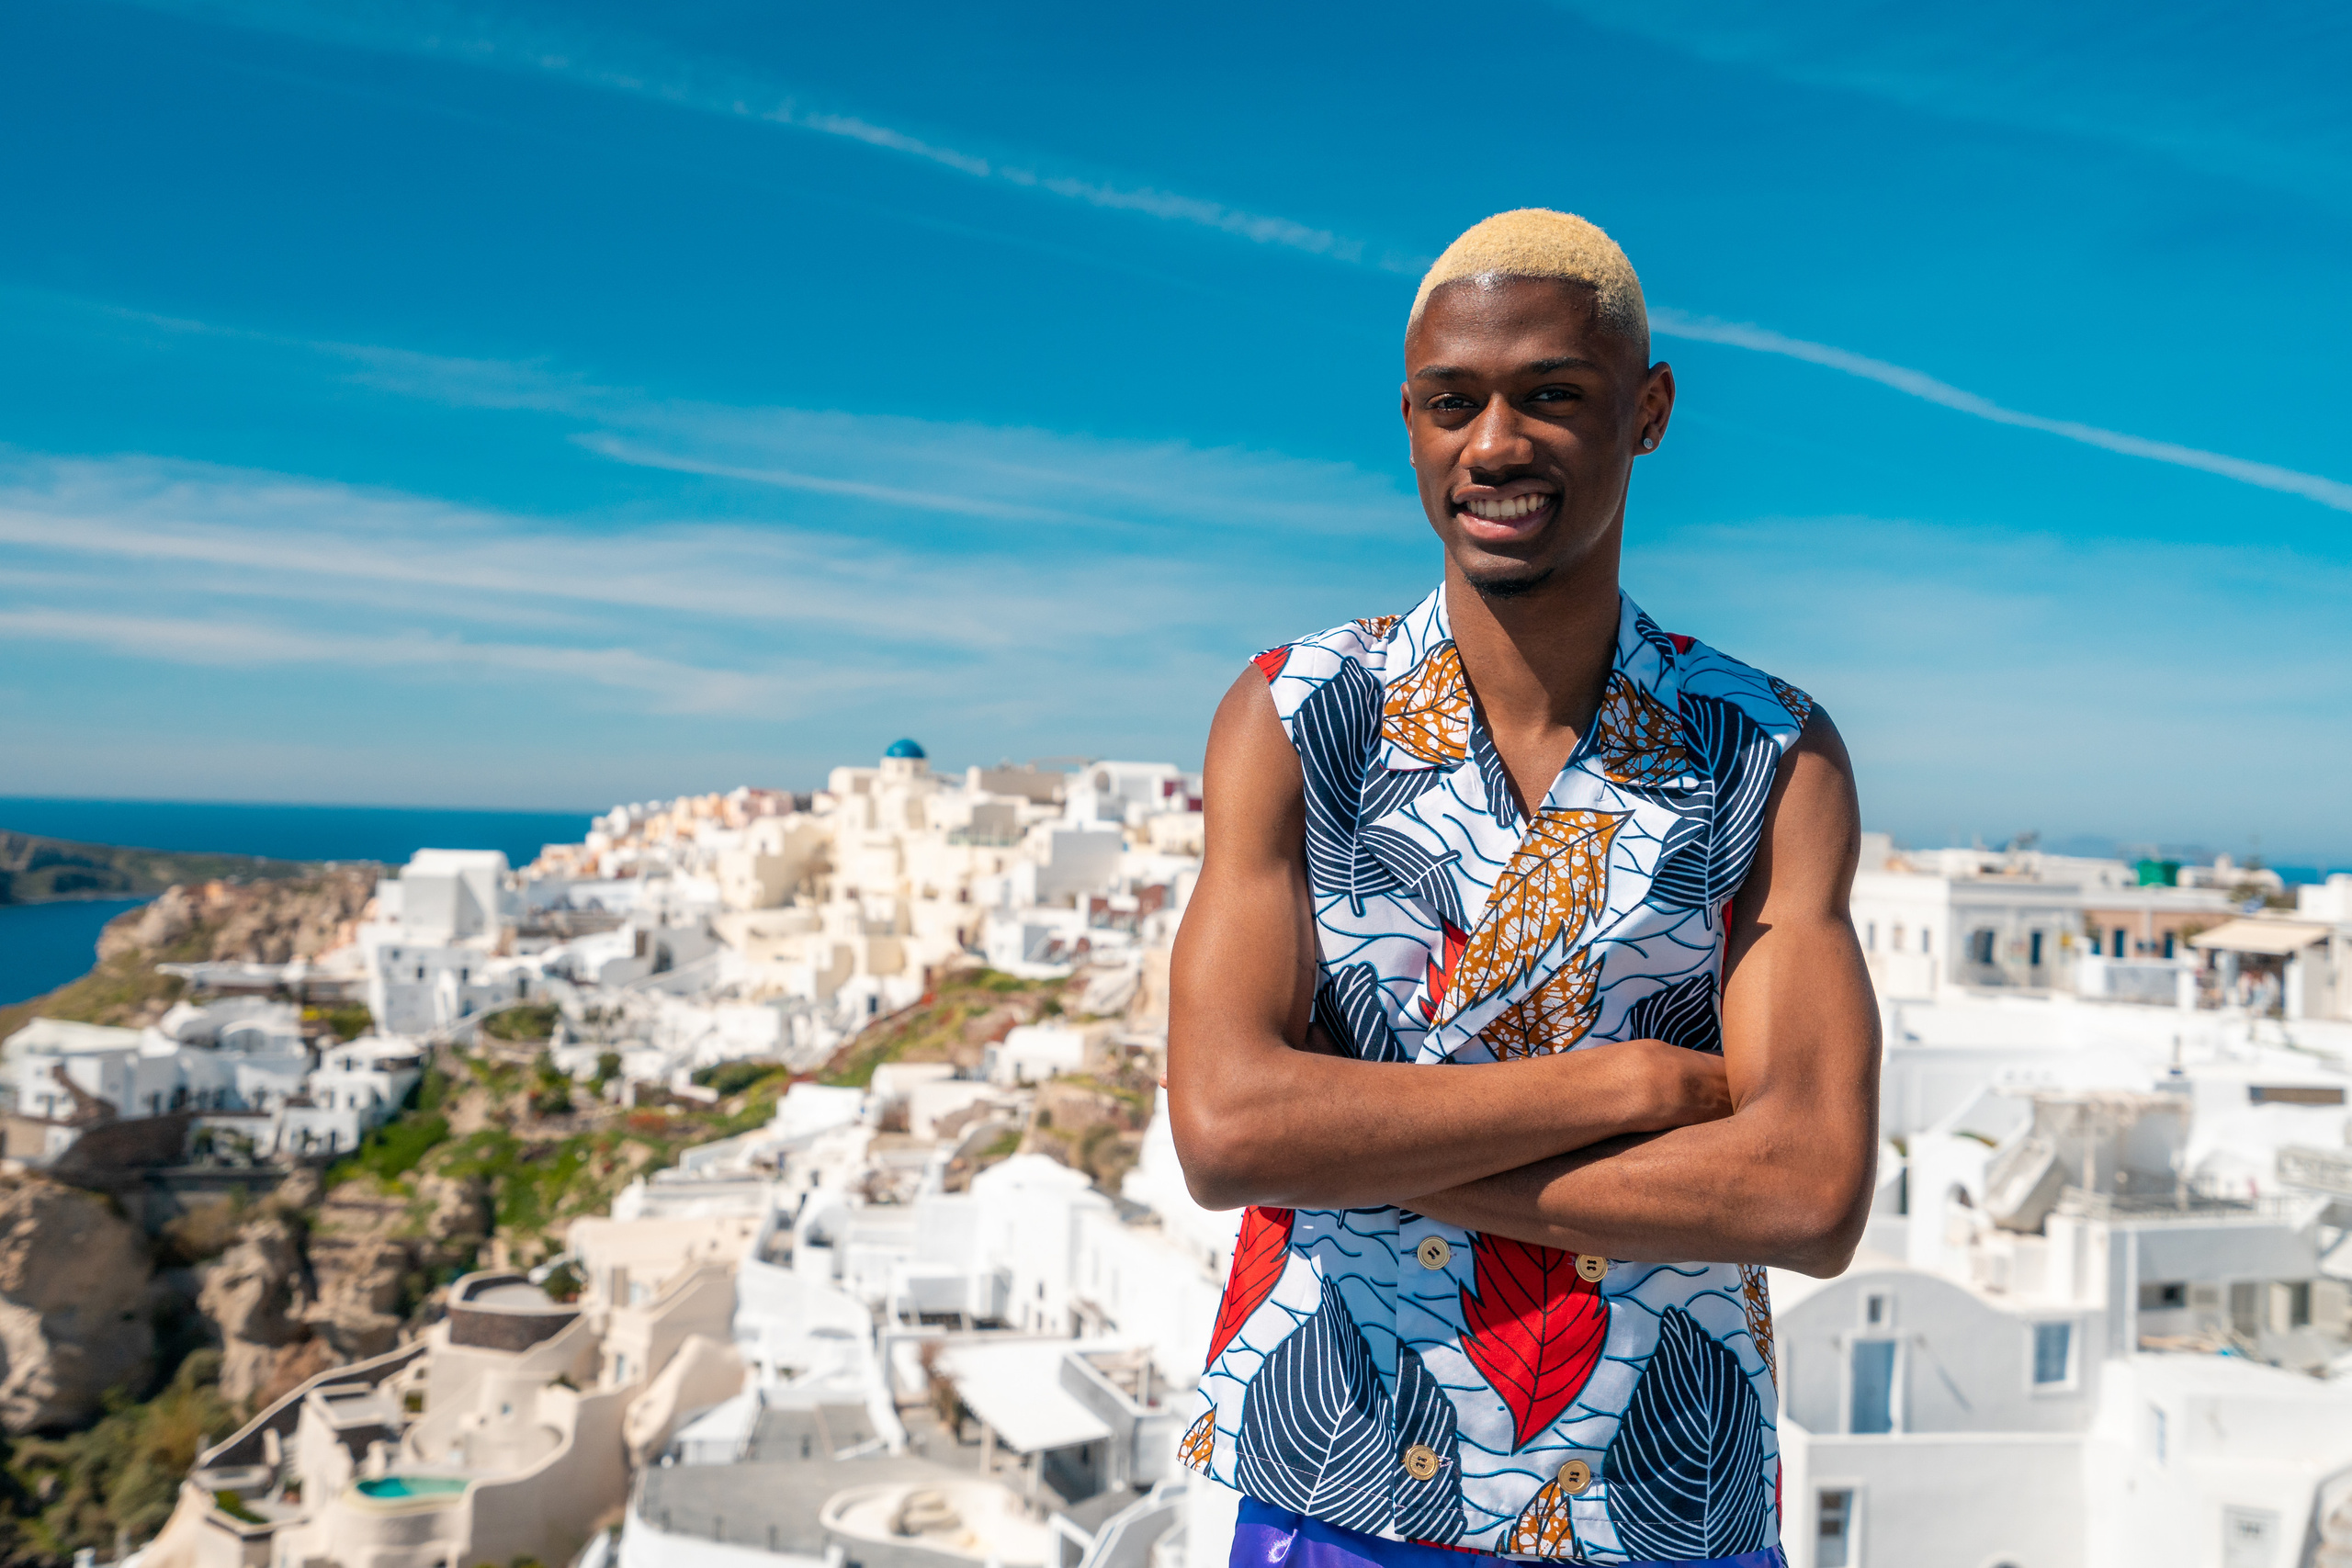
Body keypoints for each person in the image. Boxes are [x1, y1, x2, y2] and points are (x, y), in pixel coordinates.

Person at [1166, 209, 1881, 1568]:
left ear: (1648, 411)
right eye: (1454, 403)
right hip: (1345, 1481)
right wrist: (1631, 1092)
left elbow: (1807, 1190)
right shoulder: (1296, 716)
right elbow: (1227, 1127)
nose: (1495, 445)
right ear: (1412, 421)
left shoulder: (1771, 752)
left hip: (1659, 1507)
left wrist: (1366, 1146)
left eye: (1553, 394)